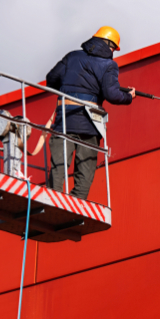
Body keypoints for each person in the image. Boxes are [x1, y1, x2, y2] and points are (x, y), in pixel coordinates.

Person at [45, 26, 135, 199]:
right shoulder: (109, 65)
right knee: (85, 169)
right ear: (109, 45)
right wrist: (129, 97)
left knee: (59, 165)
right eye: (114, 48)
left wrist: (69, 89)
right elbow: (112, 95)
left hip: (65, 119)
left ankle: (52, 199)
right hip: (90, 124)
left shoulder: (72, 56)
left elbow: (51, 80)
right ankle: (78, 204)